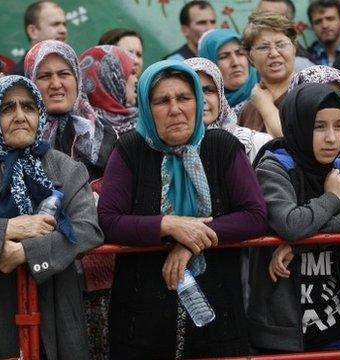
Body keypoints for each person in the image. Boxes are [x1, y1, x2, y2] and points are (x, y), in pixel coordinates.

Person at [97, 60, 268, 359]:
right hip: (142, 314)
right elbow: (109, 220)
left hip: (217, 310)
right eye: (162, 101)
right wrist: (168, 226)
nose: (175, 109)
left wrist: (192, 241)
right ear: (148, 109)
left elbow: (255, 215)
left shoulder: (221, 146)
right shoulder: (131, 149)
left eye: (184, 98)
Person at [0, 75, 103, 360]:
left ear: (40, 113)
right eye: (7, 108)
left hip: (54, 306)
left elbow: (87, 229)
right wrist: (4, 231)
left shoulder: (65, 168)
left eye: (29, 107)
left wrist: (26, 252)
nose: (20, 116)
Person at [249, 82, 340, 353]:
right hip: (282, 329)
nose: (331, 138)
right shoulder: (272, 167)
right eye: (319, 127)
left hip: (334, 320)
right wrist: (333, 198)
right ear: (300, 125)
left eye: (339, 126)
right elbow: (292, 224)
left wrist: (298, 244)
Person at [78, 44, 138, 360]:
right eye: (131, 75)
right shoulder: (78, 129)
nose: (136, 83)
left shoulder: (144, 126)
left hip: (133, 267)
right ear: (109, 79)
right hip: (89, 273)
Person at [24, 40, 114, 180]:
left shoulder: (104, 134)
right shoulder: (21, 135)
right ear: (30, 83)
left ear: (77, 79)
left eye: (63, 74)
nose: (56, 84)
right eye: (44, 76)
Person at [184, 57, 272, 162]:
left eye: (208, 90)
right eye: (192, 92)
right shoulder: (172, 154)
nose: (202, 100)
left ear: (220, 96)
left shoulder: (256, 144)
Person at [238, 11, 297, 138]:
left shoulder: (308, 95)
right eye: (264, 47)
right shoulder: (247, 110)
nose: (274, 53)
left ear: (294, 48)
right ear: (250, 57)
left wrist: (266, 106)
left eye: (281, 45)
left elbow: (297, 147)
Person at [80, 45, 139, 137]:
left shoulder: (141, 124)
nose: (136, 81)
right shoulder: (77, 128)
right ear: (113, 78)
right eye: (132, 73)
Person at [198, 28, 258, 112]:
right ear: (209, 67)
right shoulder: (201, 112)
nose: (235, 63)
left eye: (240, 54)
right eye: (224, 57)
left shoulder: (270, 97)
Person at [11, 1, 67, 76]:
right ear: (33, 31)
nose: (63, 30)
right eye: (55, 24)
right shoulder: (19, 76)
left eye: (64, 24)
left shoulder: (72, 68)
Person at [307, 0, 340, 67]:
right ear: (312, 27)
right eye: (318, 21)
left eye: (330, 19)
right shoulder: (306, 58)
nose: (324, 25)